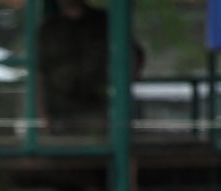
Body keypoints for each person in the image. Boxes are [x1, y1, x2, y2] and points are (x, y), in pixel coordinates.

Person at [37, 0, 144, 135]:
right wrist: (41, 115)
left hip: (102, 110)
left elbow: (133, 57)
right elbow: (38, 74)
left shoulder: (104, 22)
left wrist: (119, 92)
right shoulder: (48, 30)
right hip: (60, 113)